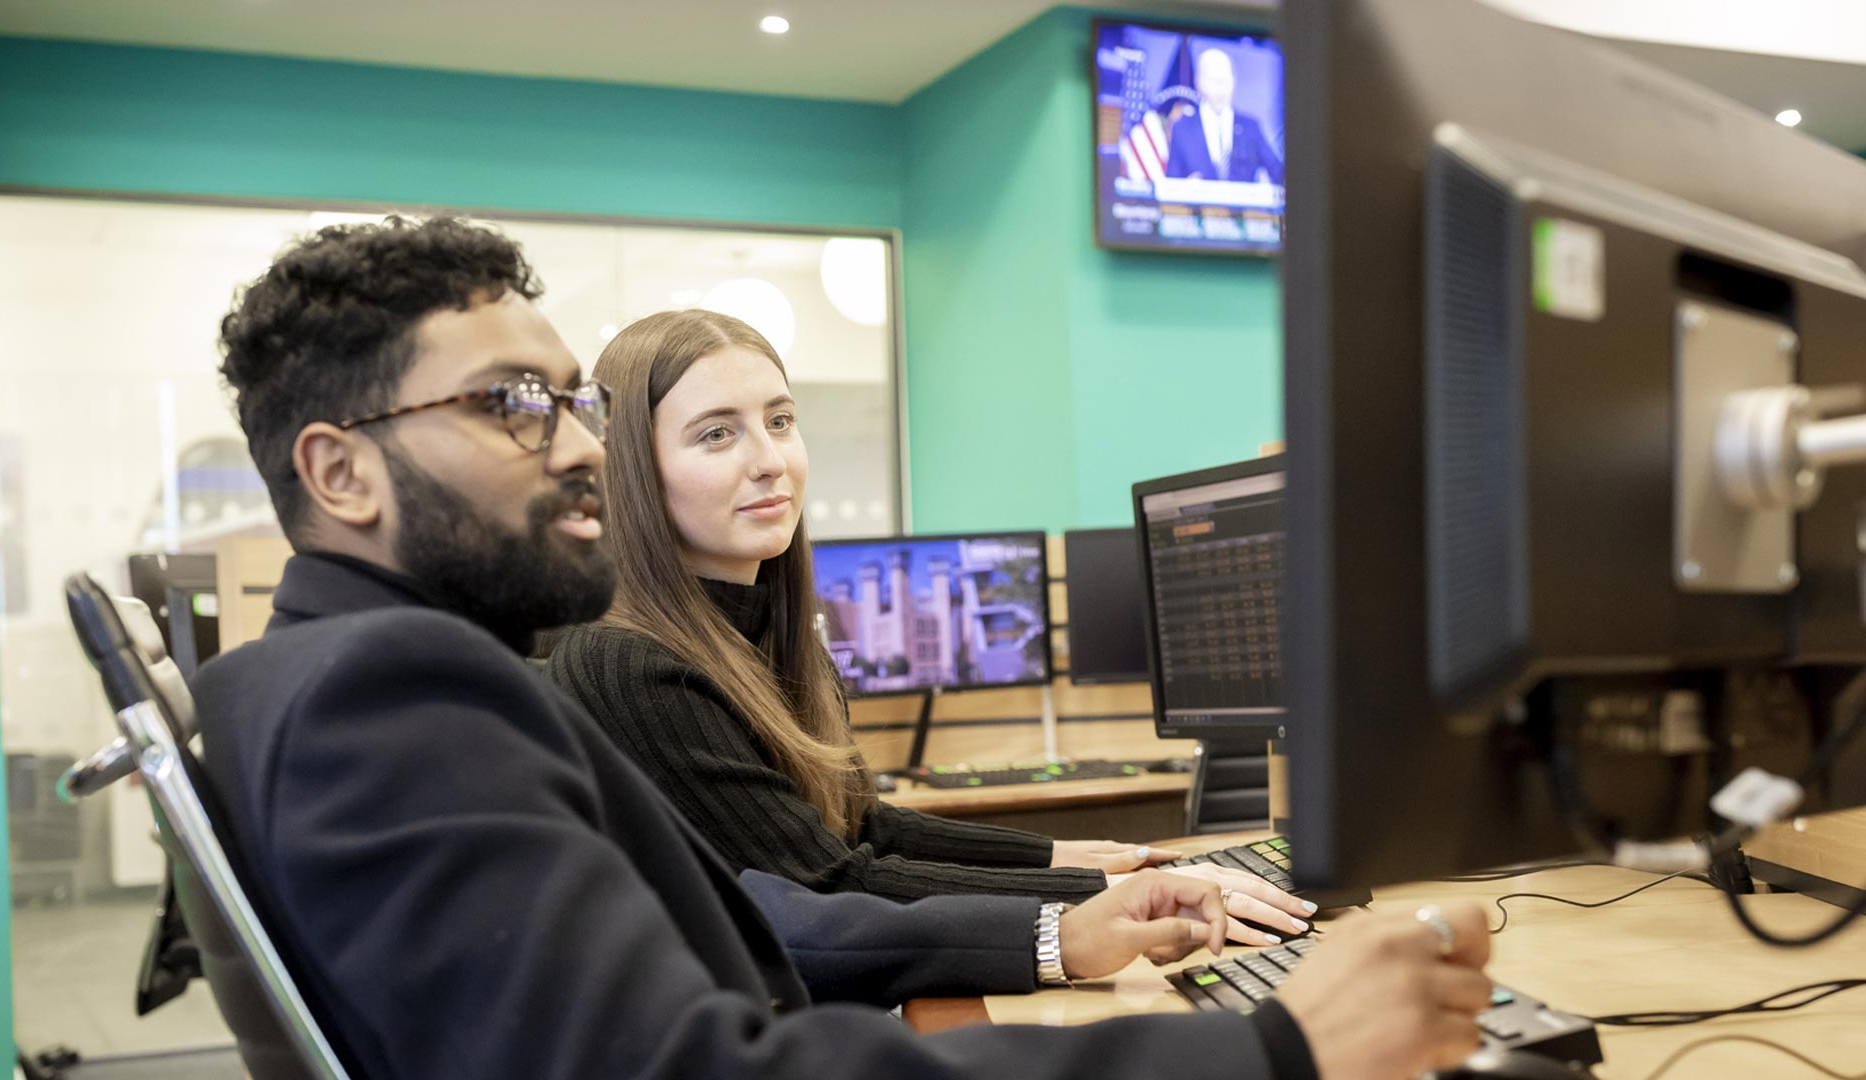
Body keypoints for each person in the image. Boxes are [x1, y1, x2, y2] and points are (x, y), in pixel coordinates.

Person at [196, 214, 1495, 1080]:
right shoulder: (385, 698)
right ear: (340, 471)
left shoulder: (336, 679)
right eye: (511, 406)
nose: (585, 448)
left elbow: (755, 908)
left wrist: (1062, 931)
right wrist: (1270, 1047)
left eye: (574, 405)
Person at [544, 310, 1314, 944]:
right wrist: (1095, 891)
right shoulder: (628, 665)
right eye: (718, 433)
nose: (771, 459)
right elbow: (829, 882)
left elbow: (859, 826)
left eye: (780, 421)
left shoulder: (770, 638)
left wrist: (1064, 857)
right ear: (633, 470)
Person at [1163, 47, 1285, 185]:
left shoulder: (1250, 127)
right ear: (1199, 83)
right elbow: (1171, 185)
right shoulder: (1183, 128)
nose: (1221, 88)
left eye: (1226, 80)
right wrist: (1185, 187)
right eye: (1215, 81)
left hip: (1243, 206)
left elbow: (1278, 173)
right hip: (1198, 206)